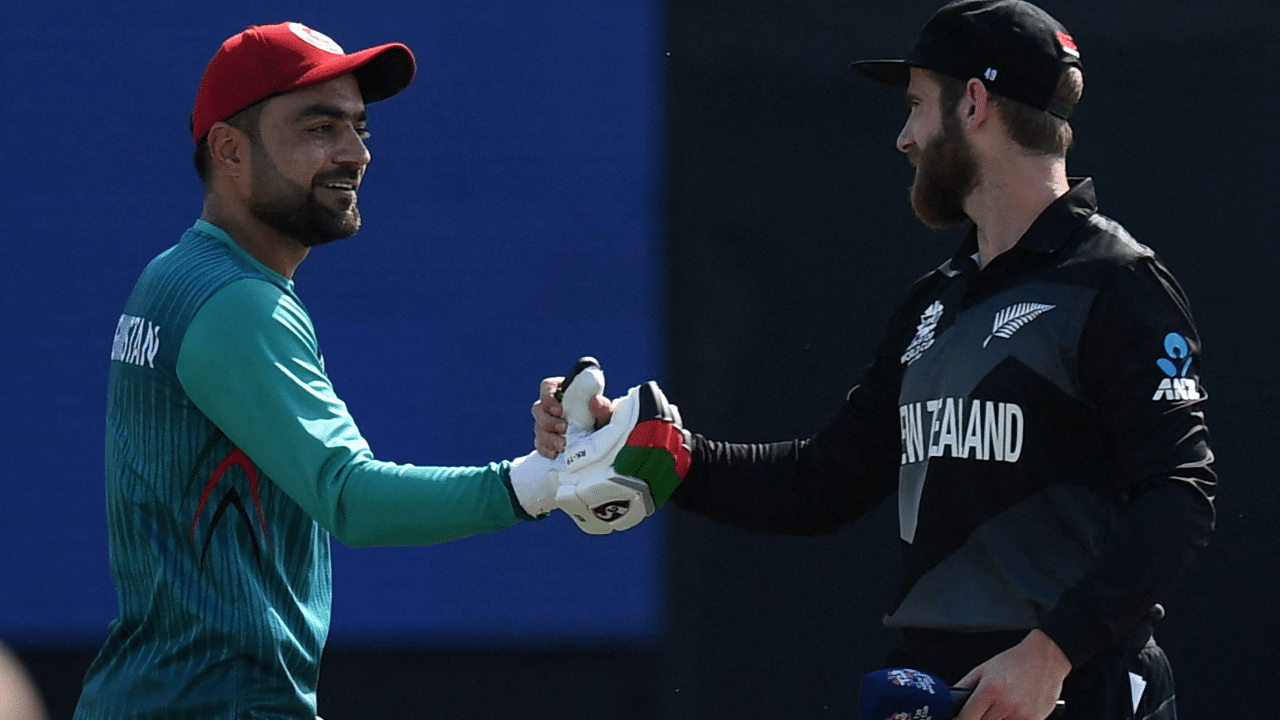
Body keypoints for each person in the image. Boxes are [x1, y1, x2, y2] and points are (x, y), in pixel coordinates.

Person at [535, 2, 1216, 718]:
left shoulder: (1115, 281)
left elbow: (1180, 492)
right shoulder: (935, 301)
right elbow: (824, 482)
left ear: (975, 103)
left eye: (918, 106)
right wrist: (663, 456)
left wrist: (1052, 654)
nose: (904, 138)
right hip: (936, 687)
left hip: (1077, 686)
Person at [74, 22, 662, 720]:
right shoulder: (236, 302)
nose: (354, 153)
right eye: (319, 128)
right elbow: (351, 498)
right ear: (230, 150)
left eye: (359, 128)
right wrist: (542, 481)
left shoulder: (174, 276)